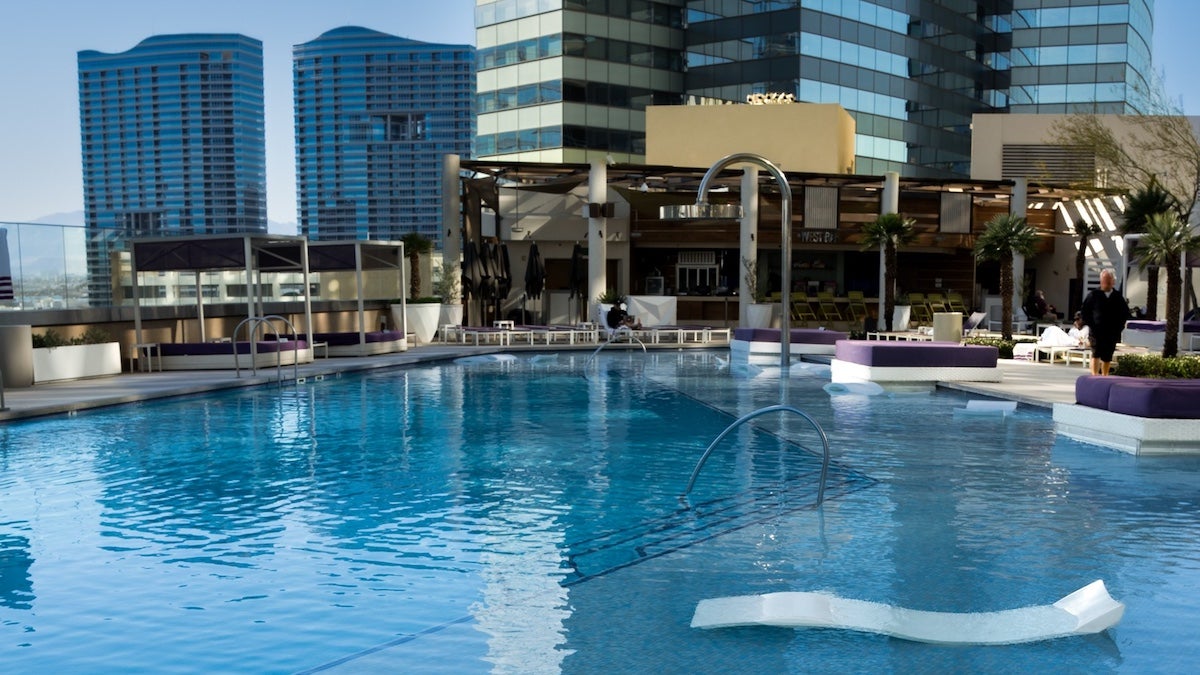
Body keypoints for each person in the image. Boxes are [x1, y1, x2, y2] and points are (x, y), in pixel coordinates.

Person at [1080, 269, 1130, 376]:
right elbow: (1085, 312)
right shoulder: (1093, 295)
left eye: (1108, 280)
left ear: (1113, 282)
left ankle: (1105, 376)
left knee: (1107, 355)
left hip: (1111, 332)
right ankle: (1094, 376)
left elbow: (1124, 314)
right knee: (1096, 353)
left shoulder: (1118, 297)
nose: (1106, 283)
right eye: (1104, 280)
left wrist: (1119, 328)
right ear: (1101, 281)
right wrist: (1091, 325)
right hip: (1096, 331)